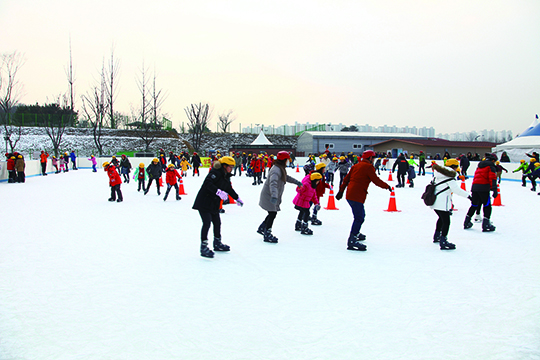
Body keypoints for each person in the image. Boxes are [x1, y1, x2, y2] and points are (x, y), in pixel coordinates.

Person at [336, 150, 392, 251]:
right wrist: (387, 186)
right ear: (370, 158)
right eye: (373, 158)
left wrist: (341, 191)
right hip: (357, 195)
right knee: (359, 217)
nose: (374, 160)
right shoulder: (368, 167)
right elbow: (376, 180)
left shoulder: (356, 166)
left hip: (350, 194)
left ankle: (356, 233)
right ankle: (352, 240)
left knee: (359, 216)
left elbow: (346, 179)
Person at [192, 156, 243, 258]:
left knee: (217, 223)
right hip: (204, 202)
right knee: (206, 223)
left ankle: (217, 243)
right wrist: (218, 191)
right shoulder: (215, 173)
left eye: (233, 167)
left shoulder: (226, 175)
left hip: (214, 203)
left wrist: (237, 198)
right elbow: (207, 183)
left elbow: (228, 188)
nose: (231, 169)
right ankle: (203, 247)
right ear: (224, 166)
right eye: (230, 167)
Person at [257, 151, 302, 243]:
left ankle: (263, 228)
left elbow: (285, 177)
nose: (288, 161)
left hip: (272, 195)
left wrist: (296, 182)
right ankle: (267, 233)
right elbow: (273, 183)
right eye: (287, 159)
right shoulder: (276, 170)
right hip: (270, 195)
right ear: (284, 160)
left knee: (272, 213)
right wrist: (274, 196)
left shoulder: (279, 168)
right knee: (272, 213)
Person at [430, 159, 471, 250]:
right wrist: (469, 196)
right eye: (457, 167)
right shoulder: (449, 176)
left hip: (434, 201)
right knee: (446, 221)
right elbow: (456, 190)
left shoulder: (438, 175)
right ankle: (443, 241)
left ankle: (437, 236)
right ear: (454, 167)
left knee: (441, 218)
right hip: (442, 202)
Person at [463, 153, 498, 232]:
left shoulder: (480, 166)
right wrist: (494, 189)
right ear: (493, 160)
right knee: (487, 205)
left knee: (474, 205)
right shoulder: (491, 166)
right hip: (484, 188)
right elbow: (492, 178)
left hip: (475, 187)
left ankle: (467, 221)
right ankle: (486, 224)